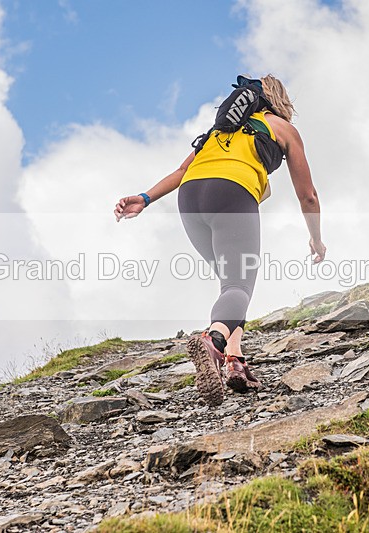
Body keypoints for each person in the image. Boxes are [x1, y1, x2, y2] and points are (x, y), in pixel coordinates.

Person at [114, 74, 325, 406]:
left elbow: (183, 171)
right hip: (231, 193)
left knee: (231, 285)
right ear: (280, 102)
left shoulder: (217, 132)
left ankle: (234, 359)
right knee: (238, 287)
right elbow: (308, 197)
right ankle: (212, 342)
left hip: (190, 199)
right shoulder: (281, 129)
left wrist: (145, 197)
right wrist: (317, 239)